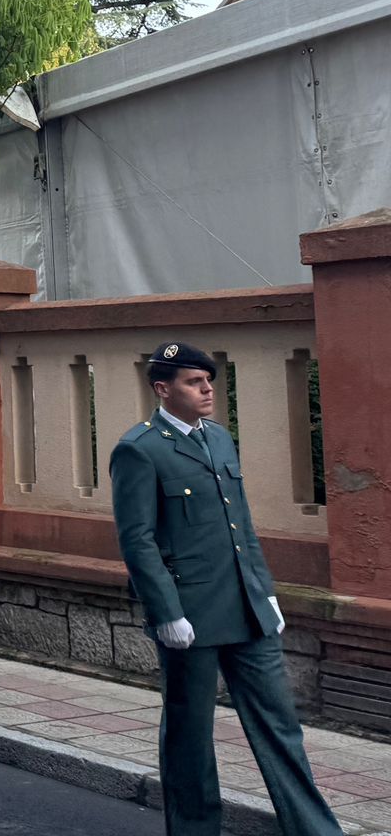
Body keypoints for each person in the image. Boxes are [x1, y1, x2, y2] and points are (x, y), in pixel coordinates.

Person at [111, 343, 339, 836]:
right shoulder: (139, 449)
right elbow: (138, 539)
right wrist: (166, 612)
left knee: (281, 729)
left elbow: (242, 527)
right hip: (190, 616)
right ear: (162, 388)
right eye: (195, 381)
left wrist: (266, 592)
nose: (208, 389)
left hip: (247, 608)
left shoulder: (219, 439)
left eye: (208, 380)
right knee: (190, 739)